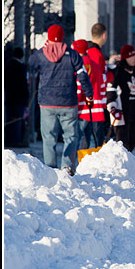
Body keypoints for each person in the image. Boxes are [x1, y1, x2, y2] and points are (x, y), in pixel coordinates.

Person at [28, 25, 93, 174]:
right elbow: (83, 76)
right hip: (68, 102)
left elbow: (30, 66)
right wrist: (89, 94)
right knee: (71, 136)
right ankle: (67, 166)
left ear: (49, 37)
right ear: (63, 37)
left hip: (46, 102)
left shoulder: (40, 55)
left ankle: (50, 168)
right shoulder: (73, 54)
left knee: (48, 137)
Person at [107, 45, 135, 153]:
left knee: (132, 142)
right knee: (123, 144)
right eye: (131, 56)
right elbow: (111, 89)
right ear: (125, 58)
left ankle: (130, 166)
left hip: (134, 112)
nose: (134, 59)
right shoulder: (119, 72)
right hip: (122, 113)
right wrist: (112, 107)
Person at [4, 46, 29, 147]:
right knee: (17, 120)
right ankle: (16, 140)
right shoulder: (21, 67)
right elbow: (23, 84)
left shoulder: (7, 65)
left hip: (9, 97)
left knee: (10, 118)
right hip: (19, 98)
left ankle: (9, 139)